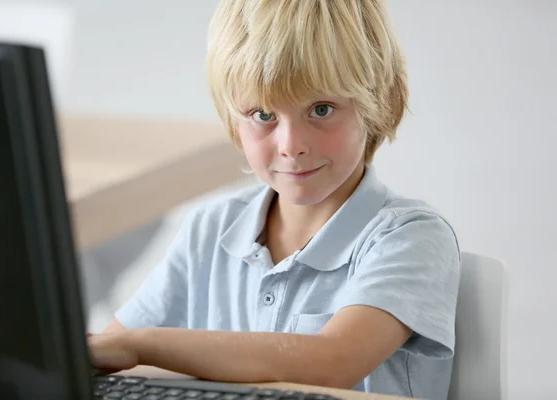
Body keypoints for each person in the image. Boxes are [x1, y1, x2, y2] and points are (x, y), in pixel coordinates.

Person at [87, 1, 461, 399]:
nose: (291, 146)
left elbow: (331, 363)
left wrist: (143, 345)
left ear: (377, 103)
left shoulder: (411, 237)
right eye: (263, 114)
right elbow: (111, 352)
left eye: (321, 109)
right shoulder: (211, 227)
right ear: (234, 119)